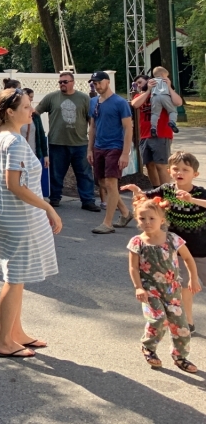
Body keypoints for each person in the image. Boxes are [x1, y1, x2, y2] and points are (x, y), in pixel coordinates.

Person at [0, 87, 62, 358]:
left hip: (7, 214)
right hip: (16, 216)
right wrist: (49, 207)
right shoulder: (12, 142)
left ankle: (17, 333)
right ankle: (4, 341)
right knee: (14, 278)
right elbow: (14, 185)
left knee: (17, 277)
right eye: (26, 107)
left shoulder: (0, 136)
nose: (31, 111)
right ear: (10, 112)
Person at [123, 151, 206, 335]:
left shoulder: (199, 192)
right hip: (177, 249)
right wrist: (138, 192)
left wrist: (191, 199)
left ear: (195, 174)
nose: (180, 172)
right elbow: (146, 198)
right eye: (176, 169)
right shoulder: (167, 189)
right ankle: (188, 322)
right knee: (184, 286)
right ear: (169, 171)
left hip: (202, 248)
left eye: (185, 169)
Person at [126, 196, 199, 373]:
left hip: (172, 289)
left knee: (181, 325)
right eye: (142, 218)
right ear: (137, 219)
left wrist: (193, 278)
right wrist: (138, 287)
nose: (147, 222)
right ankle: (148, 347)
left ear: (162, 220)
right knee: (158, 319)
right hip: (150, 289)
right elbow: (133, 268)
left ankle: (180, 357)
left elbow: (188, 259)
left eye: (152, 218)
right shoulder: (137, 242)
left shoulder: (173, 239)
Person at [35, 71, 99, 212]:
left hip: (80, 143)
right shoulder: (52, 98)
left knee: (84, 174)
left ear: (72, 82)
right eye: (60, 82)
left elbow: (91, 121)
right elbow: (35, 113)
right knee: (56, 173)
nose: (62, 84)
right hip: (57, 143)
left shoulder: (83, 98)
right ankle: (55, 198)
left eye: (65, 81)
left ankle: (88, 200)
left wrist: (92, 142)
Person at [88, 71, 134, 234]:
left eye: (99, 82)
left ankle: (107, 223)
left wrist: (125, 153)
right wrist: (90, 149)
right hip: (99, 147)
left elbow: (128, 128)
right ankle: (126, 213)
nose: (97, 86)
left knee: (111, 183)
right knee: (102, 183)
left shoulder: (120, 103)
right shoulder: (93, 102)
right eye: (94, 83)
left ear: (107, 82)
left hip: (115, 147)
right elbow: (92, 126)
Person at [130, 73, 183, 188]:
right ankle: (156, 190)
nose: (138, 85)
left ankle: (167, 193)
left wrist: (168, 86)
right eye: (136, 84)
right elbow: (135, 104)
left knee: (161, 165)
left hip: (161, 134)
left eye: (140, 82)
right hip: (144, 135)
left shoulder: (162, 92)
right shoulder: (141, 95)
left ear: (149, 80)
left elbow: (178, 102)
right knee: (149, 165)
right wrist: (148, 90)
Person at [148, 66, 179, 137]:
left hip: (155, 97)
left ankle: (153, 127)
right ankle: (172, 122)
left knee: (155, 113)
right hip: (165, 96)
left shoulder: (151, 81)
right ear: (162, 75)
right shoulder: (166, 80)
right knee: (172, 111)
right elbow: (170, 89)